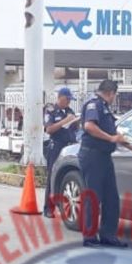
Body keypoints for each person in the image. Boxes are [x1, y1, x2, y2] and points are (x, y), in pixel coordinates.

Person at [78, 79, 132, 248]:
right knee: (94, 197)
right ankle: (89, 237)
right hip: (92, 156)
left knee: (111, 198)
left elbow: (114, 133)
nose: (114, 98)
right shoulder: (93, 105)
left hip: (104, 157)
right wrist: (111, 139)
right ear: (111, 93)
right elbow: (89, 126)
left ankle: (108, 235)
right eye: (115, 95)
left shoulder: (105, 108)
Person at [43, 87, 79, 218]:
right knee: (52, 175)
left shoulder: (70, 111)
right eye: (67, 99)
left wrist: (75, 122)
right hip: (56, 147)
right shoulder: (51, 110)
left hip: (69, 146)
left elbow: (74, 129)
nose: (69, 102)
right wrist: (65, 121)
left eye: (70, 99)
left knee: (65, 177)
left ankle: (64, 206)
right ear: (60, 97)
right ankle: (48, 208)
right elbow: (49, 129)